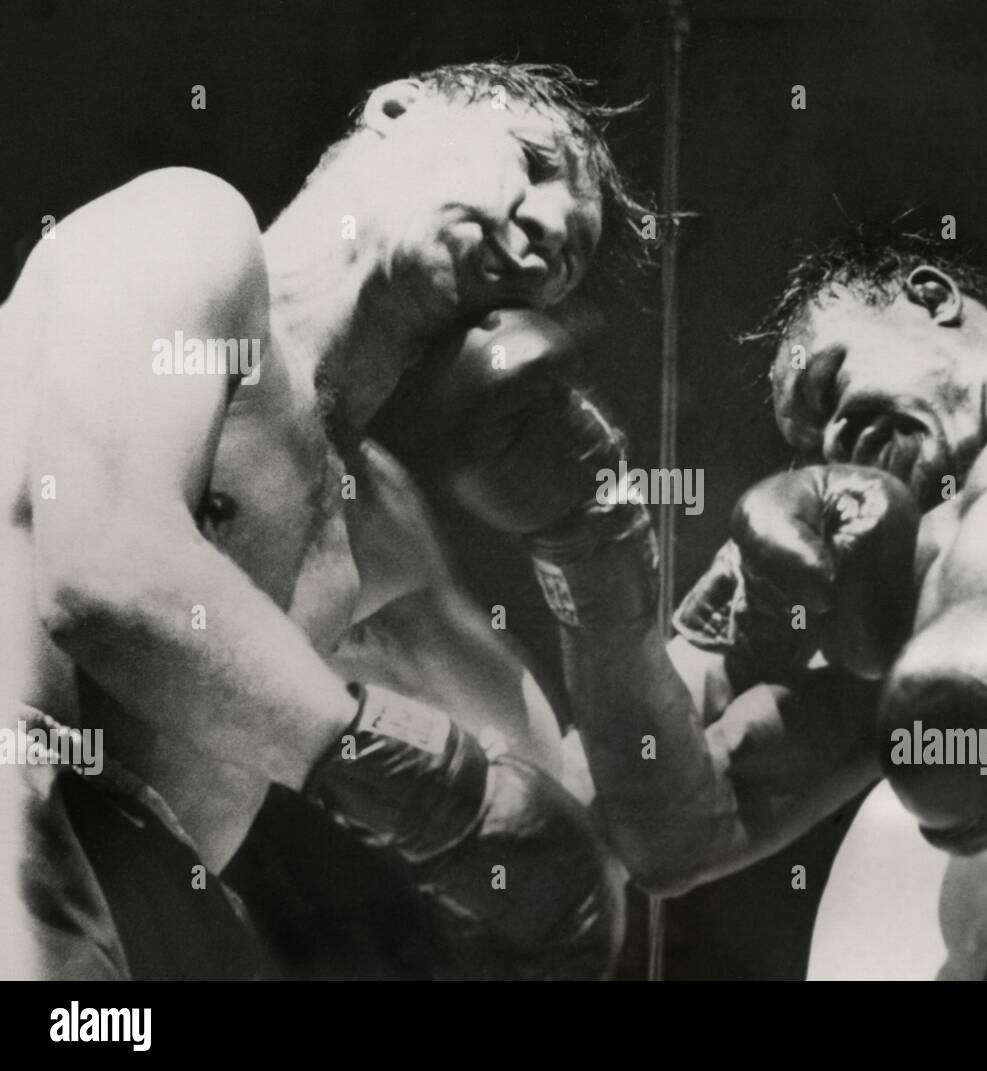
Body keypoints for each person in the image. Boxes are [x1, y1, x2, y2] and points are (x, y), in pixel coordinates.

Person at [504, 227, 987, 978]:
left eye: (829, 383)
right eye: (808, 443)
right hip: (903, 898)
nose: (833, 440)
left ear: (928, 295)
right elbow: (670, 837)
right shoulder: (883, 569)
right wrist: (592, 559)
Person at [0, 62, 641, 980]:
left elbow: (560, 802)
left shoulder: (378, 520)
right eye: (531, 162)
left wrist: (596, 548)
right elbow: (107, 571)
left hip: (163, 922)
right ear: (395, 108)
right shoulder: (187, 229)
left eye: (569, 255)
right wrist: (424, 792)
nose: (544, 229)